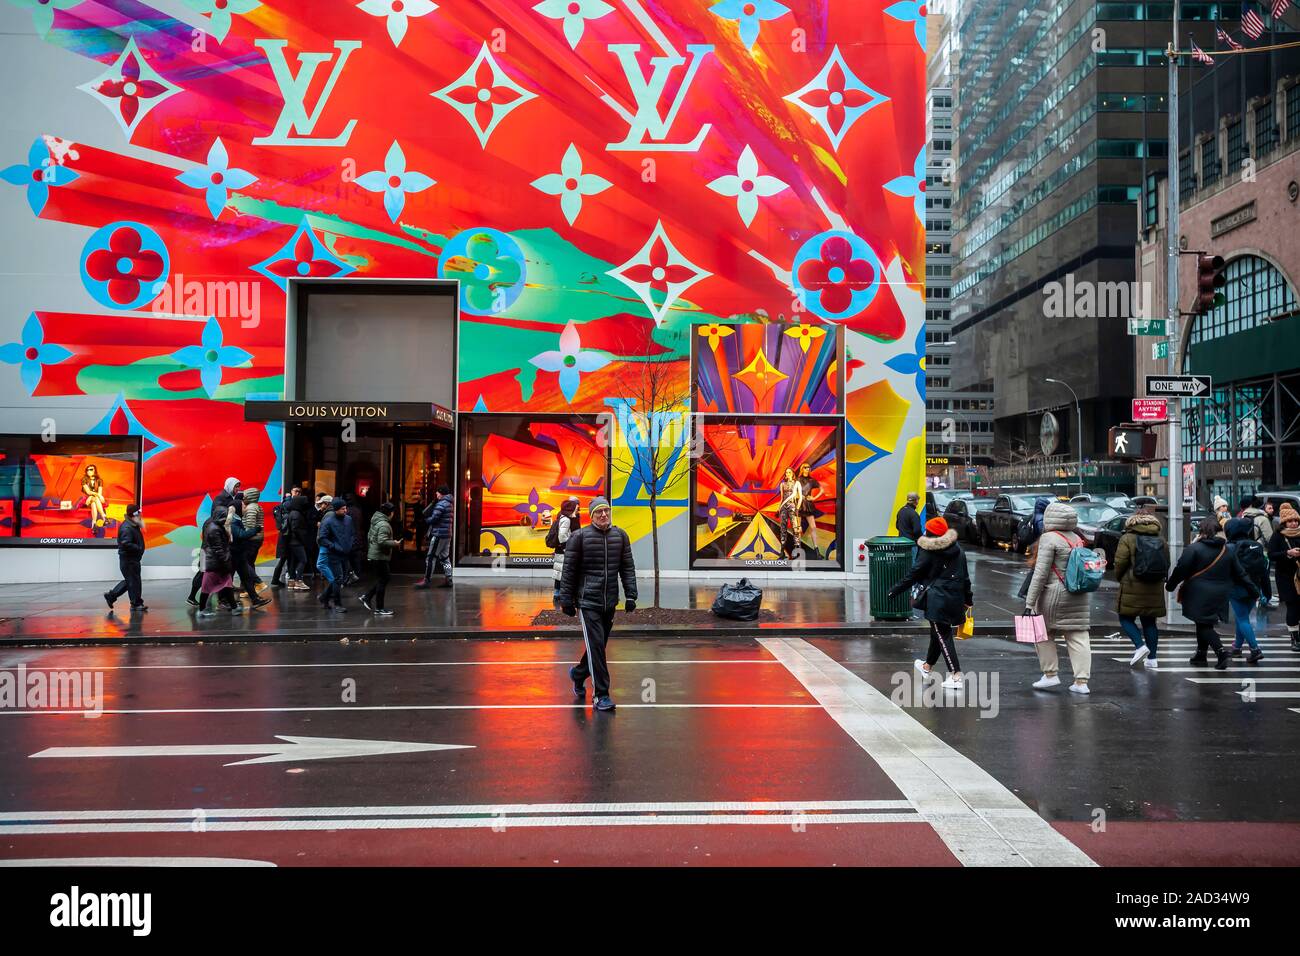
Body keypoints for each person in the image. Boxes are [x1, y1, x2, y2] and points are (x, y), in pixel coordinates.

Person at [558, 496, 637, 712]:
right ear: (592, 515)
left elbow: (627, 567)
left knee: (598, 648)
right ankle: (601, 695)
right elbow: (569, 571)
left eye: (606, 511)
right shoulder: (579, 537)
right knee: (596, 648)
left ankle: (578, 673)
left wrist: (631, 595)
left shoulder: (620, 536)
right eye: (598, 512)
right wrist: (566, 600)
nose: (603, 515)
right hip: (587, 601)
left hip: (609, 602)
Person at [887, 515, 972, 690]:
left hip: (937, 599)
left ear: (932, 534)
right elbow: (966, 579)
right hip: (954, 597)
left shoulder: (929, 551)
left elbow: (914, 574)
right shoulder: (958, 550)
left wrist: (894, 591)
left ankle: (956, 676)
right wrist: (968, 600)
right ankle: (927, 667)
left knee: (942, 635)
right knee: (938, 634)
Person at [1167, 516, 1258, 669]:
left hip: (1197, 593)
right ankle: (1201, 654)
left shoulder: (1194, 549)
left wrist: (1171, 585)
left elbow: (1181, 569)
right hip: (1221, 593)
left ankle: (1221, 652)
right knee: (1203, 622)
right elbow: (1240, 573)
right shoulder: (1227, 550)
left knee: (1204, 625)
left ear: (1201, 531)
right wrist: (1253, 590)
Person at [1023, 501, 1093, 694]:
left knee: (1042, 633)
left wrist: (1030, 603)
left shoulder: (1049, 538)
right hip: (1079, 594)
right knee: (1078, 635)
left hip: (1054, 594)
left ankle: (1050, 675)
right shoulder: (1078, 538)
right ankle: (1081, 682)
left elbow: (1040, 573)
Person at [1112, 509, 1168, 669]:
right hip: (1154, 585)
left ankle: (1139, 645)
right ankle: (1152, 658)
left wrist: (1120, 578)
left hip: (1131, 584)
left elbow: (1120, 563)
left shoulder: (1127, 538)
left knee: (1125, 618)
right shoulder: (1161, 539)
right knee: (1150, 622)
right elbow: (1167, 563)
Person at [1224, 517, 1267, 663]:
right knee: (1242, 618)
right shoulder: (1257, 546)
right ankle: (1236, 647)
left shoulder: (1230, 547)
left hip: (1236, 587)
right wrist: (1265, 591)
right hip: (1254, 587)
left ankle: (1255, 649)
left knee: (1242, 619)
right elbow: (1264, 570)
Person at [229, 490, 271, 610]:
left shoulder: (251, 508)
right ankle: (252, 595)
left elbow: (249, 527)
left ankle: (257, 584)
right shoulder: (254, 507)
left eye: (245, 496)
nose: (243, 499)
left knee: (245, 567)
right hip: (251, 540)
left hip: (250, 540)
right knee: (245, 567)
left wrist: (247, 534)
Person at [1268, 502, 1300, 652]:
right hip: (1286, 578)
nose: (1294, 523)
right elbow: (1271, 555)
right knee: (1292, 606)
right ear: (1284, 522)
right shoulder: (1278, 536)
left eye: (1296, 520)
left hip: (1299, 576)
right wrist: (1288, 553)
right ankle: (1295, 638)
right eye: (1290, 521)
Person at [197, 505, 240, 617]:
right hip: (214, 563)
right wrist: (227, 563)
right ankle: (201, 610)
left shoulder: (213, 524)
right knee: (207, 587)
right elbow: (219, 549)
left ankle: (234, 608)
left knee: (227, 584)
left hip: (214, 562)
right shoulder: (215, 528)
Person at [104, 503, 146, 612]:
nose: (141, 516)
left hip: (132, 559)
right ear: (134, 515)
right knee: (133, 581)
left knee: (131, 581)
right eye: (139, 513)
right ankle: (136, 604)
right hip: (129, 560)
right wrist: (138, 548)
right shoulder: (127, 527)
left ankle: (111, 596)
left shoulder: (132, 524)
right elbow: (125, 543)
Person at [316, 496, 354, 611]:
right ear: (336, 509)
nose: (345, 510)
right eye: (342, 509)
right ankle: (337, 604)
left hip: (345, 552)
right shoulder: (328, 521)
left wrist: (351, 543)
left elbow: (352, 533)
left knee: (340, 579)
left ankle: (324, 597)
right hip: (334, 554)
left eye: (345, 508)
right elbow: (322, 538)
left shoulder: (348, 519)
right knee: (338, 578)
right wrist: (334, 547)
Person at [361, 501, 399, 615]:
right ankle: (379, 607)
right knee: (384, 579)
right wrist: (394, 543)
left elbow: (369, 536)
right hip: (379, 556)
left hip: (375, 555)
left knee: (383, 579)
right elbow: (382, 541)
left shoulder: (376, 520)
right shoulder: (384, 524)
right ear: (390, 513)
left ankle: (367, 597)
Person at [1238, 496, 1276, 608]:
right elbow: (1270, 538)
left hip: (1246, 552)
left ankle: (1254, 598)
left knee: (1250, 577)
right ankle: (1265, 599)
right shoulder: (1262, 518)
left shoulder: (1241, 517)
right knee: (1264, 577)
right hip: (1261, 552)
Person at [416, 485, 453, 589]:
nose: (436, 494)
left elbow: (434, 519)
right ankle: (449, 579)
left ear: (441, 493)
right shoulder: (449, 503)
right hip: (447, 535)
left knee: (430, 558)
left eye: (437, 492)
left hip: (439, 534)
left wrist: (425, 520)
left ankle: (426, 580)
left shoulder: (441, 504)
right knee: (445, 558)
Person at [551, 497, 581, 601]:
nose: (578, 506)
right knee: (563, 571)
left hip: (563, 548)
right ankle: (560, 593)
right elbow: (563, 536)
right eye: (576, 504)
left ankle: (558, 593)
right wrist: (568, 547)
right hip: (565, 548)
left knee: (560, 571)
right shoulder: (567, 518)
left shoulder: (562, 515)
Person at [280, 493, 311, 589]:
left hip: (292, 541)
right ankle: (298, 581)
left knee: (292, 561)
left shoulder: (292, 513)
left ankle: (292, 581)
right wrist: (304, 540)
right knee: (303, 560)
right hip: (296, 542)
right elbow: (296, 529)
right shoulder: (297, 514)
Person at [270, 488, 299, 587]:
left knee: (283, 560)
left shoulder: (280, 509)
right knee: (289, 559)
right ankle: (292, 579)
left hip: (282, 537)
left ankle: (277, 579)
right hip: (288, 538)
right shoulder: (289, 508)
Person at [797, 462, 824, 556]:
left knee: (813, 527)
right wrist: (799, 496)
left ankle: (816, 549)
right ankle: (798, 550)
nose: (807, 469)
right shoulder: (797, 480)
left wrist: (814, 498)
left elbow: (822, 490)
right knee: (798, 529)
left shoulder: (812, 480)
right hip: (799, 505)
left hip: (808, 505)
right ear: (802, 469)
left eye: (809, 467)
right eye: (805, 467)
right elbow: (793, 492)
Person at [777, 467, 803, 559]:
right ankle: (782, 551)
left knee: (795, 529)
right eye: (786, 472)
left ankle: (797, 551)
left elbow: (800, 497)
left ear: (792, 473)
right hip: (783, 507)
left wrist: (798, 508)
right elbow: (781, 498)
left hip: (792, 507)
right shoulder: (782, 484)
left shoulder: (797, 483)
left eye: (789, 472)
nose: (787, 474)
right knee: (783, 529)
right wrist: (778, 508)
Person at [81, 464, 107, 529]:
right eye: (87, 470)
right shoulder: (84, 479)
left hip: (95, 499)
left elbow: (100, 492)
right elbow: (88, 492)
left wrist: (99, 496)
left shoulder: (99, 480)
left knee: (94, 503)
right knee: (94, 499)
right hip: (87, 499)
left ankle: (94, 524)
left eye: (91, 469)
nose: (89, 471)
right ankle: (104, 517)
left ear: (95, 470)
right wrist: (99, 496)